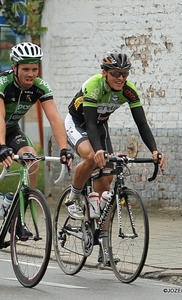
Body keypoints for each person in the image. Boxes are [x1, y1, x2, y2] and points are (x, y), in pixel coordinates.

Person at [0, 42, 73, 251]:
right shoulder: (1, 83)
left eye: (34, 69)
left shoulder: (41, 87)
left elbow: (55, 119)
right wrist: (2, 146)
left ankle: (17, 215)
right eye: (25, 69)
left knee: (32, 160)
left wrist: (64, 148)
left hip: (12, 127)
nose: (31, 74)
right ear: (15, 68)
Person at [64, 51, 166, 262]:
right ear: (105, 73)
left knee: (106, 184)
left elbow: (142, 123)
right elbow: (89, 123)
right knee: (92, 157)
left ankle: (103, 247)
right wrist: (99, 150)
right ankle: (73, 196)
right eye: (116, 74)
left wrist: (154, 150)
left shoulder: (128, 90)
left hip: (100, 126)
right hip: (78, 123)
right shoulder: (94, 85)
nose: (121, 78)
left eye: (125, 73)